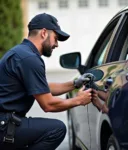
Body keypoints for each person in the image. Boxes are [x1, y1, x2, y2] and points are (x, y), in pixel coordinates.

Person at [0, 13, 93, 150]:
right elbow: (48, 105)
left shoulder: (21, 53)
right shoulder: (29, 59)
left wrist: (74, 83)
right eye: (56, 38)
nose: (56, 44)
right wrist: (78, 100)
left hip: (5, 122)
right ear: (44, 33)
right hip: (4, 126)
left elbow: (42, 88)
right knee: (56, 129)